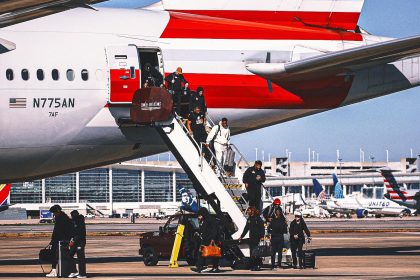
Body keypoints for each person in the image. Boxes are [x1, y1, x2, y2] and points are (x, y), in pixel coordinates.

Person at [46, 205, 73, 278]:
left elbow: (56, 231)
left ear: (57, 212)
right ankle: (67, 270)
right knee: (64, 256)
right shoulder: (65, 218)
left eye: (54, 213)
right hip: (65, 240)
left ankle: (54, 270)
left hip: (58, 240)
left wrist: (52, 241)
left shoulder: (59, 219)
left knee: (54, 256)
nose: (53, 214)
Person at [191, 207, 220, 273]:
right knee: (201, 253)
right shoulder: (205, 220)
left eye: (200, 215)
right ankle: (199, 266)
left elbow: (214, 230)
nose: (199, 217)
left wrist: (213, 239)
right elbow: (203, 230)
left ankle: (214, 267)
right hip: (205, 240)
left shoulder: (211, 220)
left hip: (210, 240)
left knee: (214, 253)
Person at [238, 207, 265, 271]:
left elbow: (262, 228)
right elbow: (246, 228)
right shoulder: (249, 219)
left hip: (257, 237)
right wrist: (241, 236)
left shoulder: (258, 218)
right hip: (251, 237)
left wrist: (261, 236)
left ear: (252, 211)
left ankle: (257, 265)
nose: (247, 212)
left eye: (249, 210)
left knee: (256, 251)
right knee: (251, 252)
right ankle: (252, 265)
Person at [68, 210, 87, 278]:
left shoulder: (80, 222)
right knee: (69, 255)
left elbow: (80, 234)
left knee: (81, 258)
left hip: (80, 242)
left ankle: (82, 274)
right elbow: (73, 232)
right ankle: (74, 271)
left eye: (72, 216)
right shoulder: (74, 222)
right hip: (75, 241)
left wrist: (73, 240)